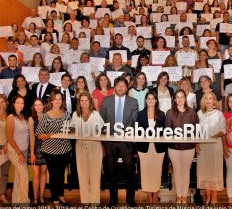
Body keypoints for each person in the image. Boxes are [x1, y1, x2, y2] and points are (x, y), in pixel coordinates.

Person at [100, 77, 139, 207]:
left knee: (130, 172)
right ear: (114, 87)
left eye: (123, 85)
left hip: (126, 143)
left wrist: (131, 136)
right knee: (111, 172)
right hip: (110, 142)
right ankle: (113, 199)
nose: (121, 87)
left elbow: (134, 122)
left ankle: (130, 199)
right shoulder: (106, 101)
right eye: (118, 85)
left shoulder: (133, 102)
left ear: (127, 88)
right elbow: (102, 121)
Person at [35, 90, 72, 206]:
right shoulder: (46, 116)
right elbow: (39, 135)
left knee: (61, 174)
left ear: (62, 101)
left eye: (59, 99)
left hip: (65, 150)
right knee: (53, 174)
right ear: (51, 101)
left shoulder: (66, 114)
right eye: (55, 99)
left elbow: (70, 130)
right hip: (50, 150)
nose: (57, 101)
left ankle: (61, 196)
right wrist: (52, 135)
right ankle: (55, 198)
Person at [165, 89, 199, 203]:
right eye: (177, 97)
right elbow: (167, 131)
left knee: (186, 171)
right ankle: (178, 195)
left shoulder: (192, 112)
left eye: (182, 97)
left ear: (185, 99)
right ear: (174, 99)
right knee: (176, 171)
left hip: (189, 147)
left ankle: (184, 195)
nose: (180, 99)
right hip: (174, 148)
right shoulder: (169, 112)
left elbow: (196, 130)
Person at [71, 91, 104, 204]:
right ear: (79, 102)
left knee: (95, 174)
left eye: (86, 100)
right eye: (82, 101)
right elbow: (72, 129)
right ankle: (85, 201)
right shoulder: (75, 114)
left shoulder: (96, 114)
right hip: (80, 145)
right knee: (82, 174)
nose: (84, 103)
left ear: (90, 102)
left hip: (95, 146)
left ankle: (95, 201)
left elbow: (102, 129)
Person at [135, 91, 166, 203]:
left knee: (157, 172)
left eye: (153, 98)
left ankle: (155, 196)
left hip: (158, 148)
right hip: (144, 148)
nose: (151, 100)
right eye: (149, 98)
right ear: (145, 100)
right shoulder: (140, 114)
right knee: (146, 172)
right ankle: (149, 198)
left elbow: (164, 132)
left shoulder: (162, 114)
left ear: (156, 100)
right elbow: (137, 132)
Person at [196, 92, 226, 205]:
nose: (208, 100)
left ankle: (214, 196)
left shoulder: (219, 114)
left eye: (211, 98)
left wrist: (212, 136)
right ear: (203, 101)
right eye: (206, 98)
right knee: (204, 171)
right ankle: (207, 196)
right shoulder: (199, 113)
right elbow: (196, 131)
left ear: (214, 101)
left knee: (214, 170)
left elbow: (223, 130)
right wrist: (197, 144)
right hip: (203, 146)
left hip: (215, 145)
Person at [5, 95, 30, 203]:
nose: (20, 105)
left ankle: (16, 201)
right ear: (13, 104)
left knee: (18, 177)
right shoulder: (11, 117)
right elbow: (9, 138)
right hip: (15, 152)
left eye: (22, 103)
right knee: (24, 176)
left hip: (24, 150)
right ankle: (24, 201)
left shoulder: (23, 117)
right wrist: (19, 153)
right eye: (18, 102)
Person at [27, 99, 47, 205]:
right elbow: (31, 137)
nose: (38, 107)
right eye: (36, 105)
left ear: (43, 106)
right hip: (35, 148)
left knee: (43, 173)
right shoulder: (31, 119)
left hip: (46, 147)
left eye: (40, 105)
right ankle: (35, 197)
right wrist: (32, 153)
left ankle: (41, 196)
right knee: (36, 175)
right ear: (33, 107)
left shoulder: (47, 117)